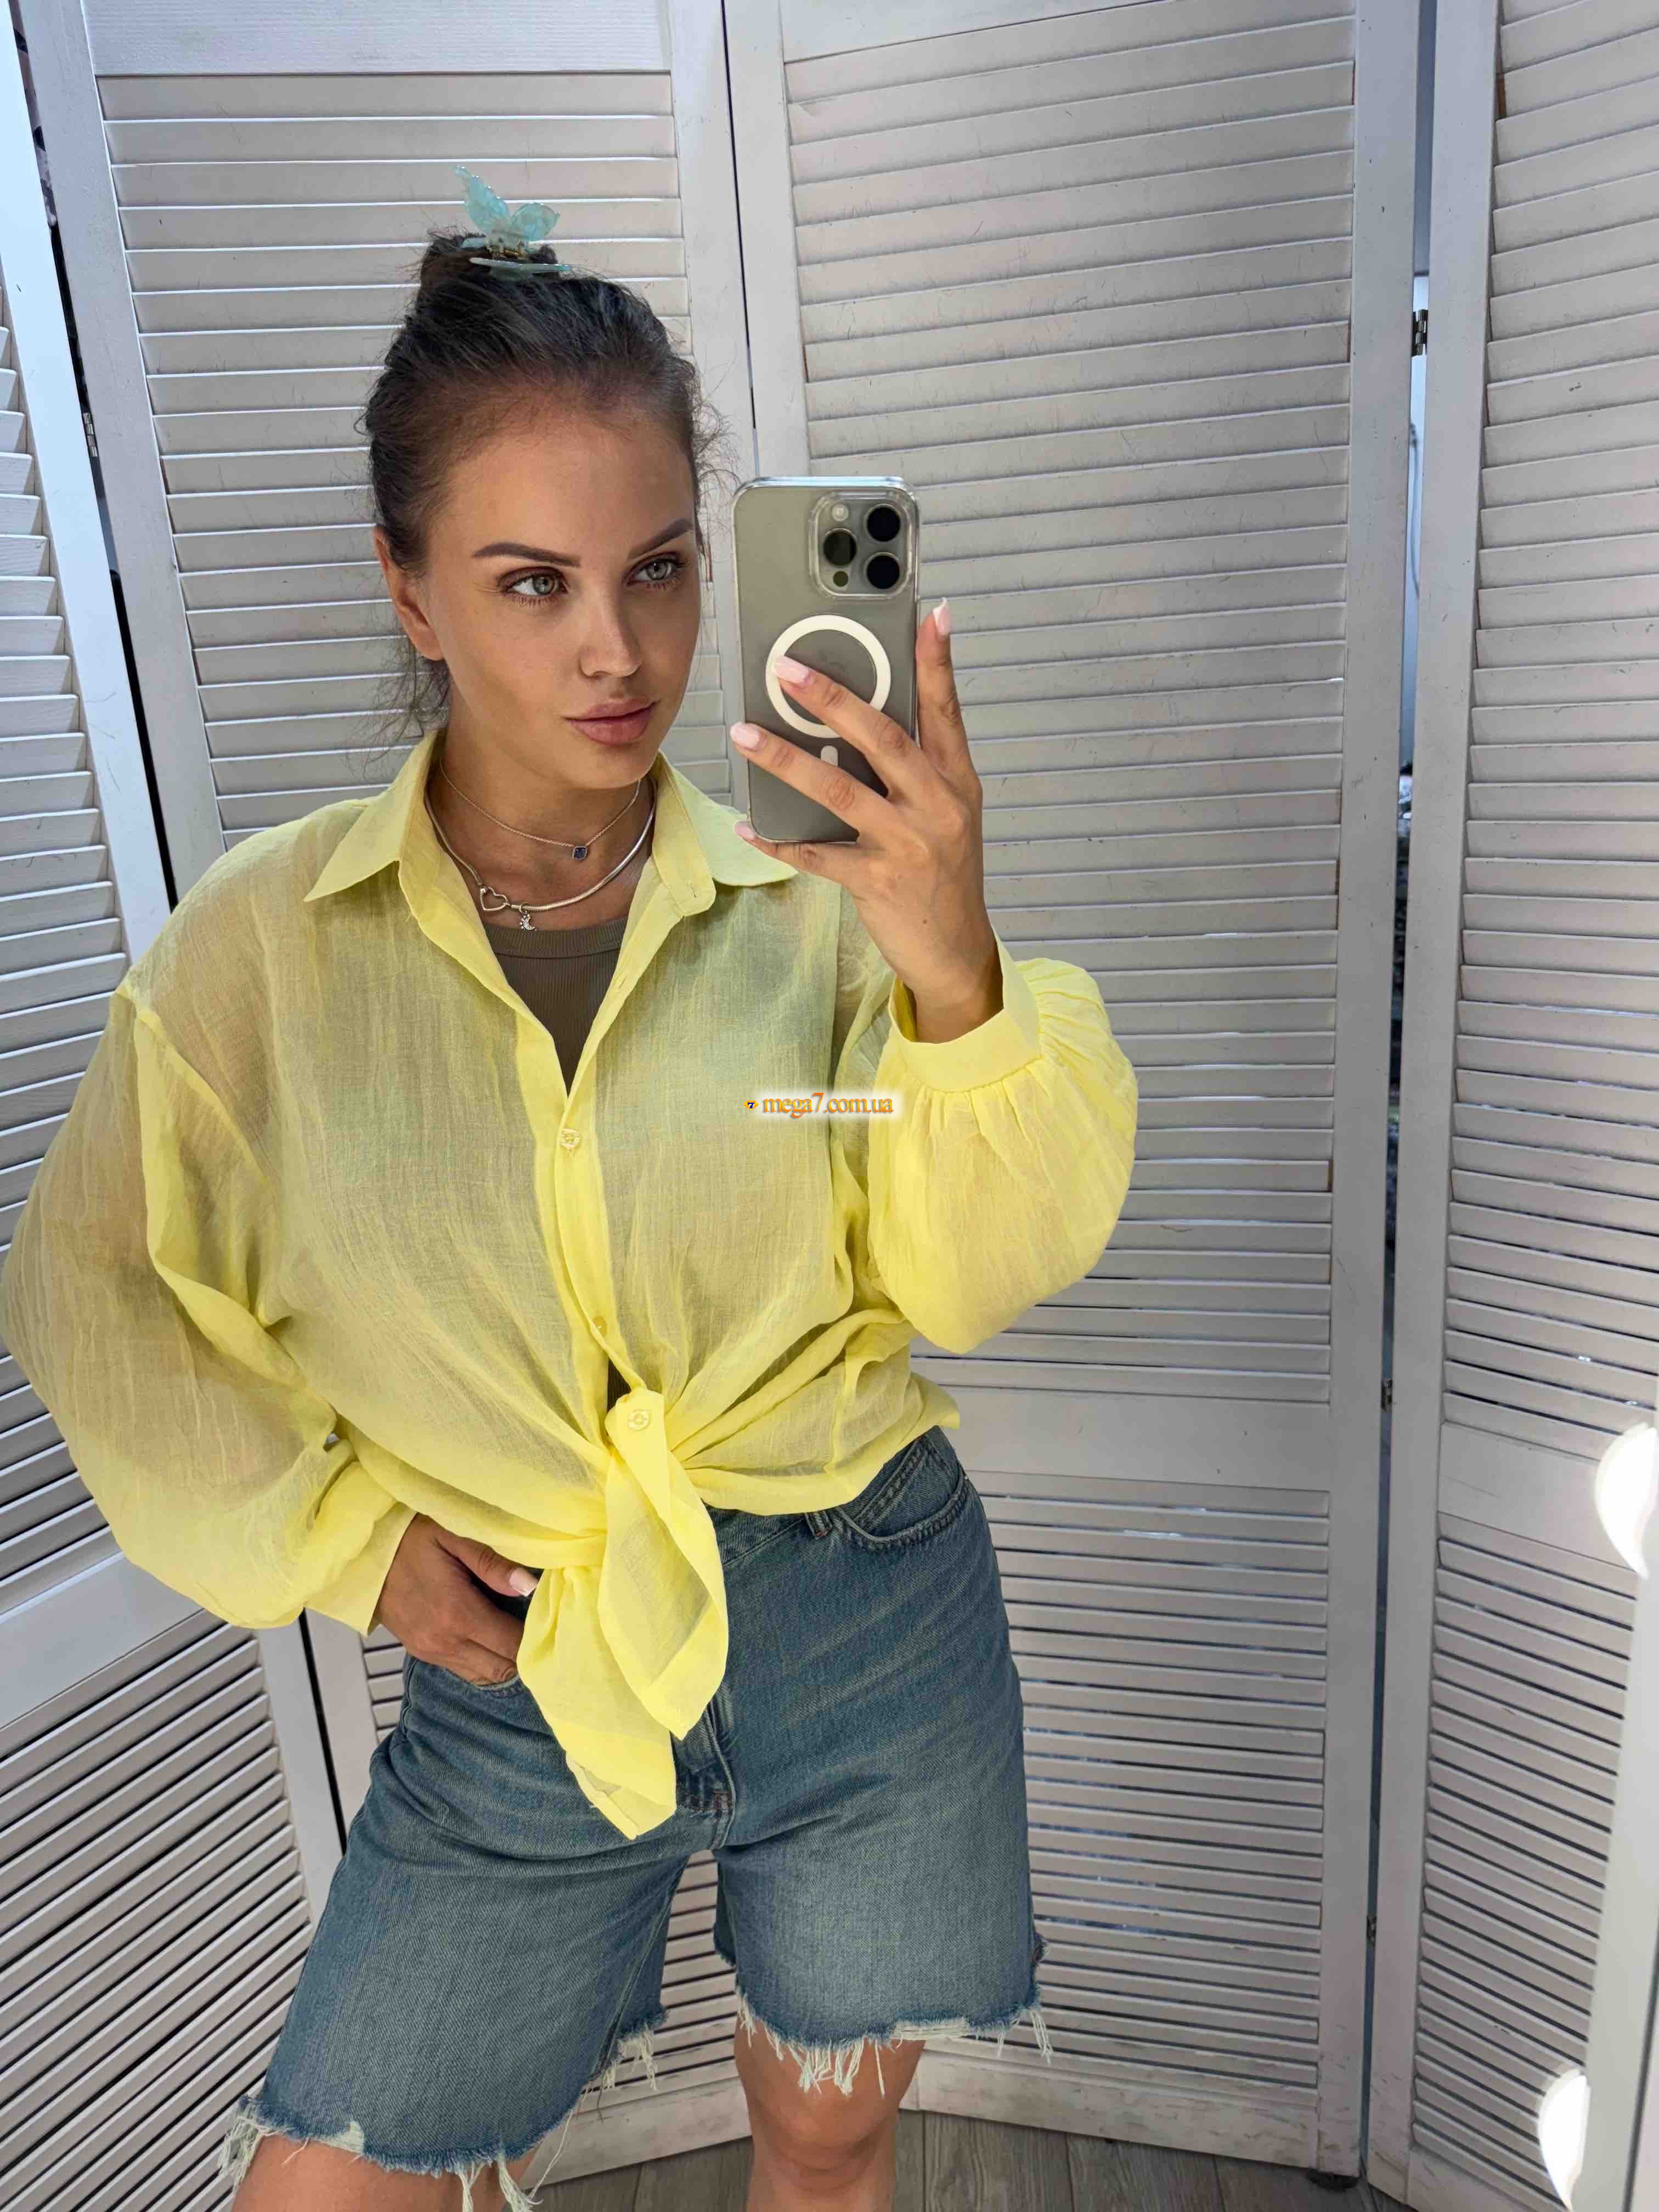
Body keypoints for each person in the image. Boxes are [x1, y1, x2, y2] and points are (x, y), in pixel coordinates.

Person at [0, 173, 1138, 2212]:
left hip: (870, 1616)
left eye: (663, 569)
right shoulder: (260, 959)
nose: (620, 652)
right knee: (331, 2187)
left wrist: (955, 967)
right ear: (409, 589)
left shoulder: (824, 909)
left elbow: (974, 1272)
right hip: (524, 1662)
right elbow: (102, 1299)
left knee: (832, 2129)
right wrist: (350, 1545)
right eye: (532, 583)